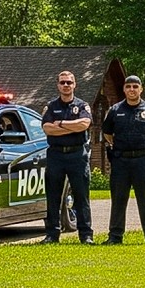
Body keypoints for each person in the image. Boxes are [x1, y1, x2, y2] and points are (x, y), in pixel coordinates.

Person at [101, 74, 145, 245]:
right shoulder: (115, 110)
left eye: (135, 87)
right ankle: (115, 237)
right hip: (121, 160)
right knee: (118, 199)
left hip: (143, 160)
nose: (132, 90)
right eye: (128, 87)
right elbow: (107, 132)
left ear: (141, 89)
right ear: (124, 89)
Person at [39, 70, 95, 245]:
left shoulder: (83, 105)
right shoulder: (51, 106)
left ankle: (86, 235)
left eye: (69, 83)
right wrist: (73, 126)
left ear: (74, 84)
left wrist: (62, 124)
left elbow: (84, 124)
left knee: (81, 195)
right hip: (56, 154)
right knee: (53, 195)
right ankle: (52, 234)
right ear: (58, 85)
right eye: (62, 82)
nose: (66, 85)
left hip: (77, 154)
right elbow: (47, 128)